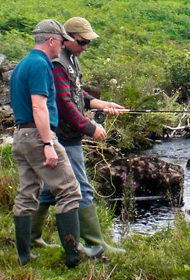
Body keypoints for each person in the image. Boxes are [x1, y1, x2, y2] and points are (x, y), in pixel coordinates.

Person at [9, 19, 103, 268]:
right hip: (39, 136)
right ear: (51, 40)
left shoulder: (22, 64)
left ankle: (24, 255)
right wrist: (48, 143)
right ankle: (74, 255)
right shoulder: (42, 65)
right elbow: (39, 106)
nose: (63, 45)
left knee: (28, 193)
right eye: (61, 41)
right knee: (70, 191)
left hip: (20, 136)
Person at [30, 17, 126, 253]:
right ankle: (96, 243)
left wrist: (100, 104)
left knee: (48, 190)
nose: (85, 47)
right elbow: (62, 104)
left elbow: (76, 94)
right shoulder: (57, 64)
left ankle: (32, 238)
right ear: (68, 39)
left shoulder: (71, 60)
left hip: (65, 136)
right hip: (63, 137)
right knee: (82, 188)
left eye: (88, 43)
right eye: (82, 42)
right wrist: (90, 127)